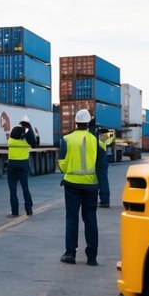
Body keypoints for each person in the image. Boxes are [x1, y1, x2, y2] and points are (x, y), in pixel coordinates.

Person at [58, 109, 106, 265]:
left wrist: (70, 170)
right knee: (90, 219)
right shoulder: (96, 140)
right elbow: (100, 164)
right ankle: (92, 257)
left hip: (71, 184)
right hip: (91, 185)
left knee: (72, 218)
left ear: (75, 122)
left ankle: (70, 253)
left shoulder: (66, 139)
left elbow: (62, 164)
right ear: (88, 123)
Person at [6, 123, 34, 216]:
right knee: (25, 188)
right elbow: (33, 140)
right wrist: (29, 128)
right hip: (23, 165)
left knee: (12, 189)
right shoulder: (25, 142)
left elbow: (11, 135)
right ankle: (29, 209)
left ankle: (15, 211)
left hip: (12, 165)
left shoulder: (10, 141)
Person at [96, 126, 116, 206]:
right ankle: (105, 200)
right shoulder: (105, 138)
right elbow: (112, 135)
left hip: (99, 161)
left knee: (100, 182)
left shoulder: (100, 139)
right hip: (104, 161)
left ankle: (104, 201)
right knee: (103, 181)